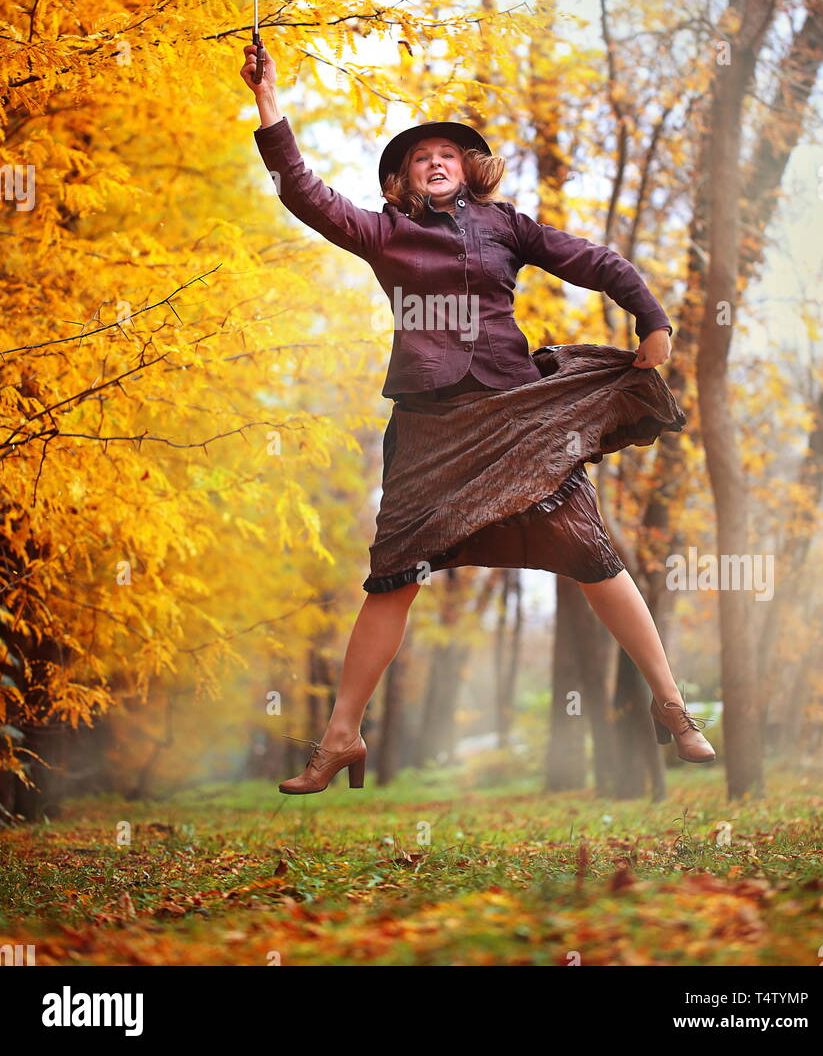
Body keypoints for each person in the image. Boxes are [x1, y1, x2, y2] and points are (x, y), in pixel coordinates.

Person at [241, 41, 715, 792]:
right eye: (421, 156)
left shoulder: (504, 226)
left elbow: (596, 261)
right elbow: (301, 190)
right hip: (430, 426)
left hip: (515, 414)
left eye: (449, 154)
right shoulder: (383, 233)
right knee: (393, 576)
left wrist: (650, 316)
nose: (435, 161)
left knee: (592, 554)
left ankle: (673, 705)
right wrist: (269, 100)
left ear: (469, 169)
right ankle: (340, 738)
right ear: (402, 178)